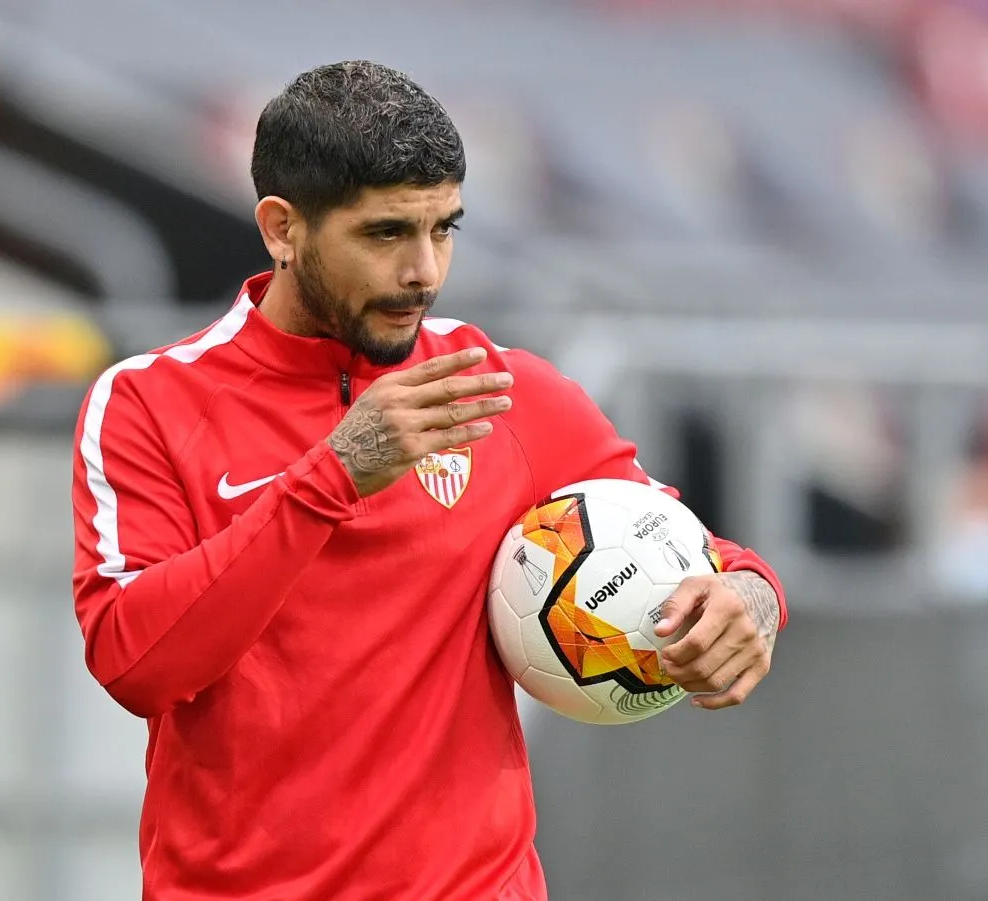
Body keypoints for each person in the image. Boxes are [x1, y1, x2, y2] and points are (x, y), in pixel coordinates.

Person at [71, 60, 786, 901]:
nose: (425, 271)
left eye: (443, 228)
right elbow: (136, 663)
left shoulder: (503, 390)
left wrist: (749, 602)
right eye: (385, 234)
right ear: (281, 228)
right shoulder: (149, 403)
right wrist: (333, 476)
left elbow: (699, 551)